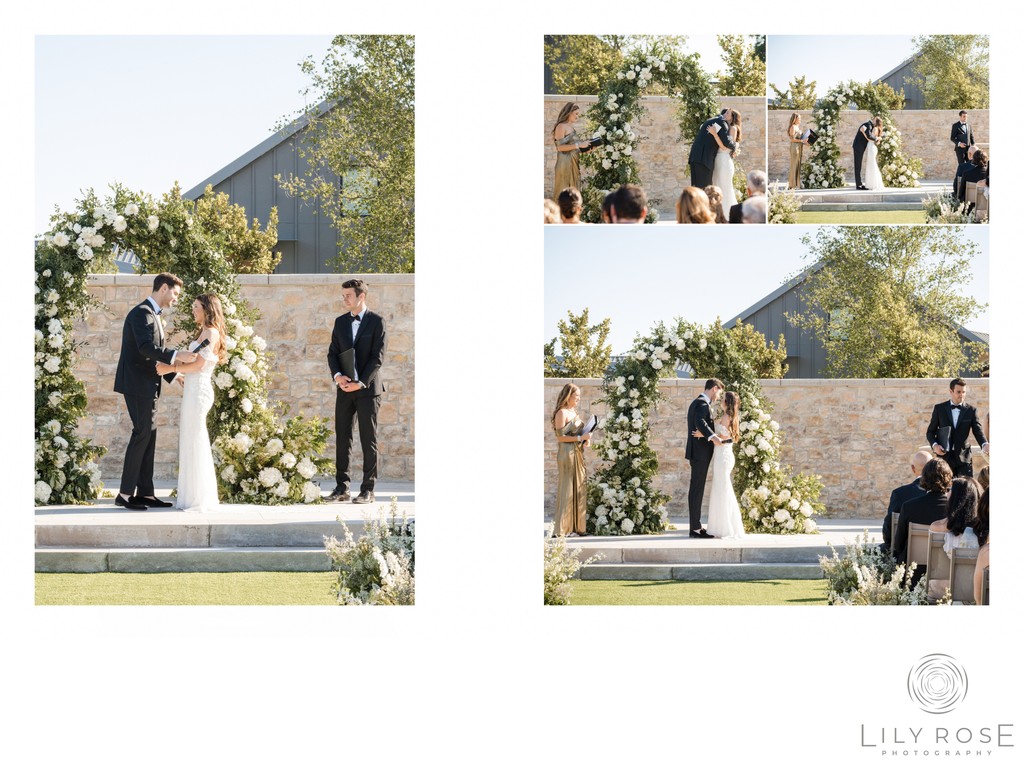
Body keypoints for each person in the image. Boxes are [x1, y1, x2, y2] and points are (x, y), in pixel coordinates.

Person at [113, 272, 197, 511]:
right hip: (137, 385)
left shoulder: (151, 315)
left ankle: (145, 493)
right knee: (142, 433)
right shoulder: (142, 314)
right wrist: (175, 355)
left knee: (149, 434)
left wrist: (173, 374)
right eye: (175, 293)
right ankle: (125, 494)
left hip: (146, 384)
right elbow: (145, 348)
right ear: (163, 288)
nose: (176, 299)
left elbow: (149, 354)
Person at [155, 294, 225, 512]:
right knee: (189, 438)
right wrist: (181, 375)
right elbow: (193, 363)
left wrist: (171, 369)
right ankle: (190, 495)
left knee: (196, 439)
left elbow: (199, 366)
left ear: (207, 309)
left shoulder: (212, 333)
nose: (193, 310)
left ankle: (199, 498)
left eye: (196, 307)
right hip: (192, 389)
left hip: (200, 392)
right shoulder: (203, 332)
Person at [327, 279, 386, 504]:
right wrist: (338, 377)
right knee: (343, 437)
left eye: (348, 295)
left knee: (368, 439)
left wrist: (360, 382)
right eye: (343, 296)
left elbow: (377, 358)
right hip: (344, 389)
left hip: (368, 390)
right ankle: (342, 488)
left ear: (361, 296)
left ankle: (368, 490)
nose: (344, 299)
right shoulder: (340, 322)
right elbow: (332, 353)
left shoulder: (377, 322)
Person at [927, 476, 981, 600]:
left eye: (950, 490)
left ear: (956, 498)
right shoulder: (983, 530)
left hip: (943, 588)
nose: (946, 493)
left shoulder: (936, 527)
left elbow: (933, 564)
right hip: (976, 589)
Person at [893, 458, 953, 568]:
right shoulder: (955, 509)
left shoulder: (909, 507)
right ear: (949, 478)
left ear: (924, 478)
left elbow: (898, 545)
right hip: (944, 571)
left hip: (914, 572)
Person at [685, 378, 725, 539]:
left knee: (697, 488)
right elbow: (700, 421)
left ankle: (695, 526)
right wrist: (714, 438)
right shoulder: (702, 403)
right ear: (715, 388)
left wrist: (705, 433)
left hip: (698, 453)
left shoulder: (698, 402)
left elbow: (699, 424)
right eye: (719, 392)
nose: (719, 396)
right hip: (700, 454)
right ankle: (695, 528)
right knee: (697, 489)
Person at [927, 377, 989, 478]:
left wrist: (984, 444)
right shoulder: (939, 409)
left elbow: (978, 431)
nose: (962, 395)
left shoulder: (971, 410)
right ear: (951, 391)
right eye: (958, 392)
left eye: (964, 392)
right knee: (944, 490)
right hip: (944, 457)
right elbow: (930, 432)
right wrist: (935, 446)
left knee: (966, 490)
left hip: (964, 458)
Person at [551, 383, 590, 537]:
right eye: (576, 396)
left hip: (577, 453)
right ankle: (561, 529)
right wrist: (580, 437)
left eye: (579, 396)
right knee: (567, 490)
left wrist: (586, 440)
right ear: (568, 396)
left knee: (578, 488)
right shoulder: (561, 413)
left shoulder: (573, 411)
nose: (578, 399)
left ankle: (577, 527)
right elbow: (561, 437)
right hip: (566, 454)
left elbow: (578, 433)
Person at [706, 391, 745, 540]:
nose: (720, 401)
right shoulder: (733, 417)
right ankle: (724, 525)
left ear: (726, 402)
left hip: (723, 455)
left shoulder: (726, 417)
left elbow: (721, 439)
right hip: (726, 454)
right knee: (722, 488)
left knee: (722, 489)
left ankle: (725, 527)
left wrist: (704, 434)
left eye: (722, 399)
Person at [880, 449, 931, 553]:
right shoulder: (946, 496)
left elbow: (888, 528)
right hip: (937, 556)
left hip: (905, 554)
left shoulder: (900, 494)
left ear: (913, 468)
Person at [552, 103, 591, 200]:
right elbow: (560, 148)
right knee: (564, 191)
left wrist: (587, 149)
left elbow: (574, 148)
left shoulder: (571, 127)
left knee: (573, 192)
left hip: (574, 162)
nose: (577, 116)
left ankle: (572, 213)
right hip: (565, 163)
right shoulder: (561, 126)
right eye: (576, 114)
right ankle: (559, 213)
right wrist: (579, 145)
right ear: (569, 113)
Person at [688, 109, 736, 189]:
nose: (725, 114)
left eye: (728, 113)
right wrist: (735, 147)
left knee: (696, 188)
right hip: (703, 159)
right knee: (705, 188)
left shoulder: (714, 120)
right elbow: (726, 142)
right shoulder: (721, 122)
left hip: (696, 157)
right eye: (726, 112)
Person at [707, 109, 741, 213]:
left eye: (727, 113)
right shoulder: (722, 126)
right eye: (724, 113)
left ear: (733, 117)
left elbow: (725, 148)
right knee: (716, 186)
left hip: (724, 161)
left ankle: (728, 214)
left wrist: (715, 134)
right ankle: (717, 213)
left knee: (724, 187)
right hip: (717, 160)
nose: (724, 114)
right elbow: (708, 132)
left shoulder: (733, 128)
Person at [852, 115, 878, 190]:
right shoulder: (868, 125)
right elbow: (869, 136)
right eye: (875, 119)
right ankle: (858, 185)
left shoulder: (871, 126)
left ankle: (859, 183)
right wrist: (876, 138)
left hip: (861, 147)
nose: (875, 121)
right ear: (873, 120)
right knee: (858, 165)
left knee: (858, 165)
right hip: (858, 147)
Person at [787, 113, 809, 189]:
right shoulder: (793, 127)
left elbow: (801, 139)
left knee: (798, 164)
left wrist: (806, 142)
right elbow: (792, 139)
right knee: (794, 165)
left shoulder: (797, 127)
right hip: (794, 147)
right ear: (795, 119)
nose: (800, 120)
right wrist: (802, 140)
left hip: (799, 147)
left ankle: (796, 184)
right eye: (799, 118)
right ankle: (792, 185)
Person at [863, 117, 884, 190]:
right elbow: (877, 140)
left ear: (876, 121)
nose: (873, 120)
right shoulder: (878, 129)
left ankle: (873, 184)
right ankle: (874, 183)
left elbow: (869, 138)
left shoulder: (875, 128)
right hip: (873, 147)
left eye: (874, 119)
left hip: (871, 146)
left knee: (871, 165)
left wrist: (863, 132)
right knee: (872, 164)